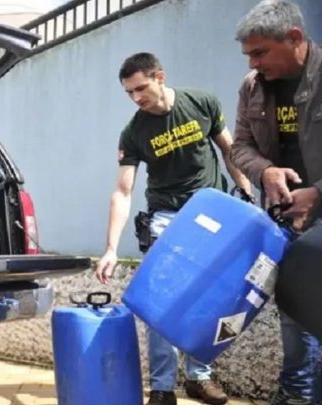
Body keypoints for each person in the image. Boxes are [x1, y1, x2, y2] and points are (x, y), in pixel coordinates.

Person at [95, 52, 253, 405]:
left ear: (160, 77)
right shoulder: (134, 131)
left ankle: (199, 377)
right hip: (165, 216)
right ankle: (163, 388)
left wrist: (245, 189)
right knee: (160, 304)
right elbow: (122, 190)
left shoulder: (201, 102)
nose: (136, 98)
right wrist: (110, 248)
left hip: (211, 213)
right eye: (129, 93)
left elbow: (230, 151)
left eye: (141, 88)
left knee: (208, 298)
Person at [231, 1, 322, 403]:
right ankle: (297, 392)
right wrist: (266, 171)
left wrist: (317, 193)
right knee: (296, 305)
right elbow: (240, 147)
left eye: (260, 52)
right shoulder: (252, 87)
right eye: (249, 54)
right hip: (287, 217)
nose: (253, 63)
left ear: (295, 39)